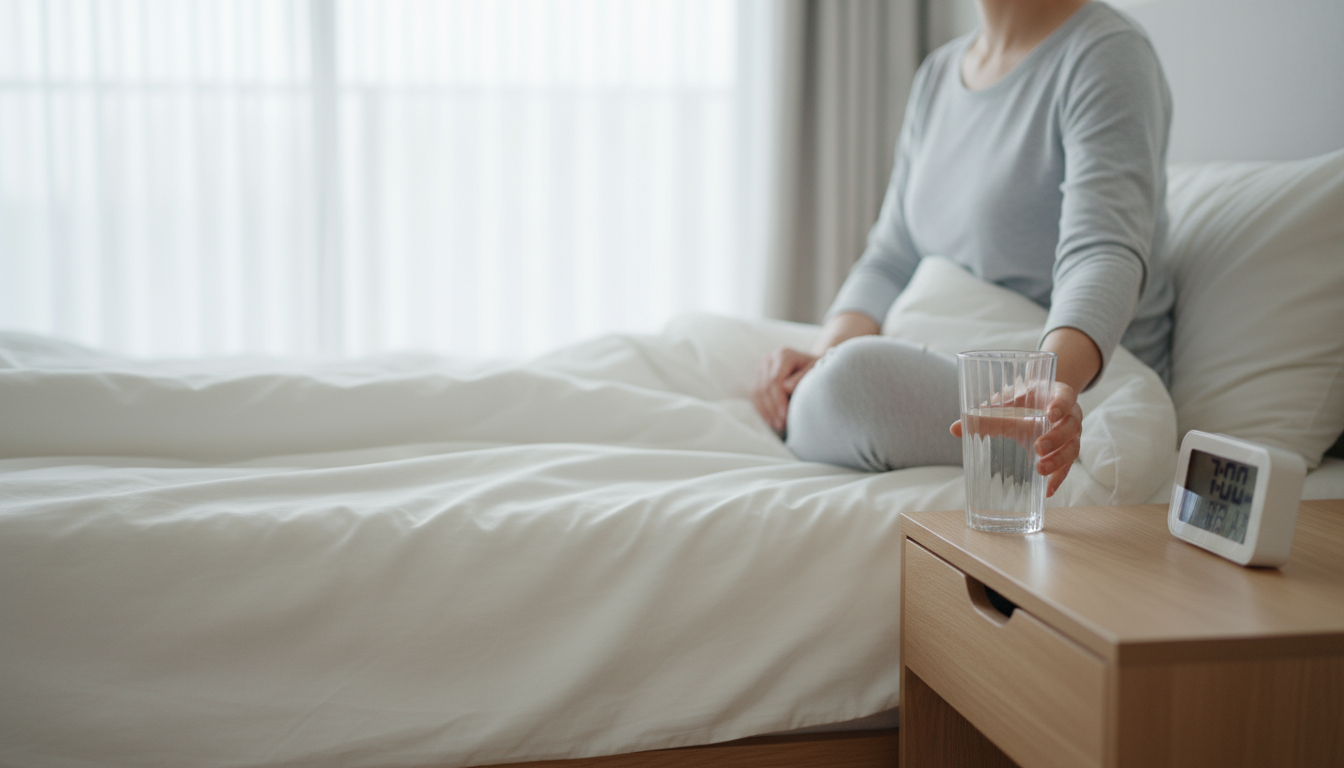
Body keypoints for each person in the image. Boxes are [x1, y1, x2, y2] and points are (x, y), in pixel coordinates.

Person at [751, 0, 1173, 497]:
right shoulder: (938, 75)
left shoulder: (1106, 54)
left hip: (1066, 381)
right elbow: (892, 255)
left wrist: (1048, 382)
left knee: (855, 384)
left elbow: (1102, 252)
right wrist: (819, 355)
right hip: (949, 349)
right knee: (735, 348)